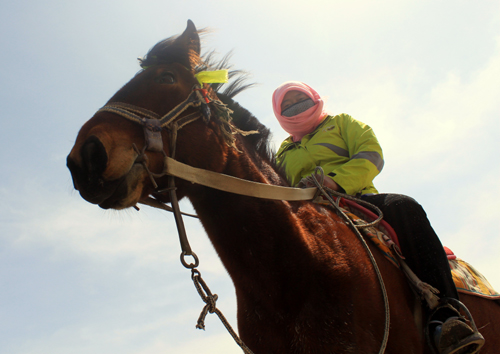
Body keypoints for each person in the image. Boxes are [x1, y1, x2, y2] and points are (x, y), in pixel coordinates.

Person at [272, 81, 485, 354]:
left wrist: (333, 181)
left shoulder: (341, 123)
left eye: (299, 98)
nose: (294, 106)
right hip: (308, 213)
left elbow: (372, 155)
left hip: (355, 199)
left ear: (313, 96)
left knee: (406, 207)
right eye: (286, 104)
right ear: (279, 114)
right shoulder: (282, 151)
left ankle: (448, 314)